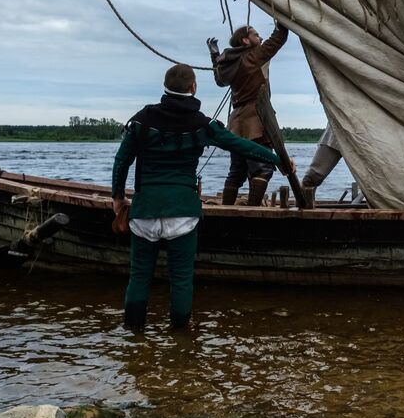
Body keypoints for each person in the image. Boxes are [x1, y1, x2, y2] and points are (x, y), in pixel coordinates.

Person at [111, 63, 287, 332]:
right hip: (183, 212)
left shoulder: (141, 121)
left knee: (139, 276)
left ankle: (133, 338)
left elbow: (121, 161)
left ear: (165, 86)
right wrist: (279, 159)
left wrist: (117, 197)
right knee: (180, 279)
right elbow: (242, 145)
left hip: (145, 211)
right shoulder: (203, 125)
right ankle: (180, 340)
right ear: (193, 87)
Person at [211, 21, 290, 206]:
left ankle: (228, 210)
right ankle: (254, 211)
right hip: (255, 119)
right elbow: (278, 39)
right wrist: (282, 18)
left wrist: (214, 54)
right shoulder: (253, 57)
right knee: (262, 169)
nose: (260, 38)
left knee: (237, 169)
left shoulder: (228, 62)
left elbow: (219, 79)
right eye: (256, 35)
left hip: (237, 122)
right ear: (246, 41)